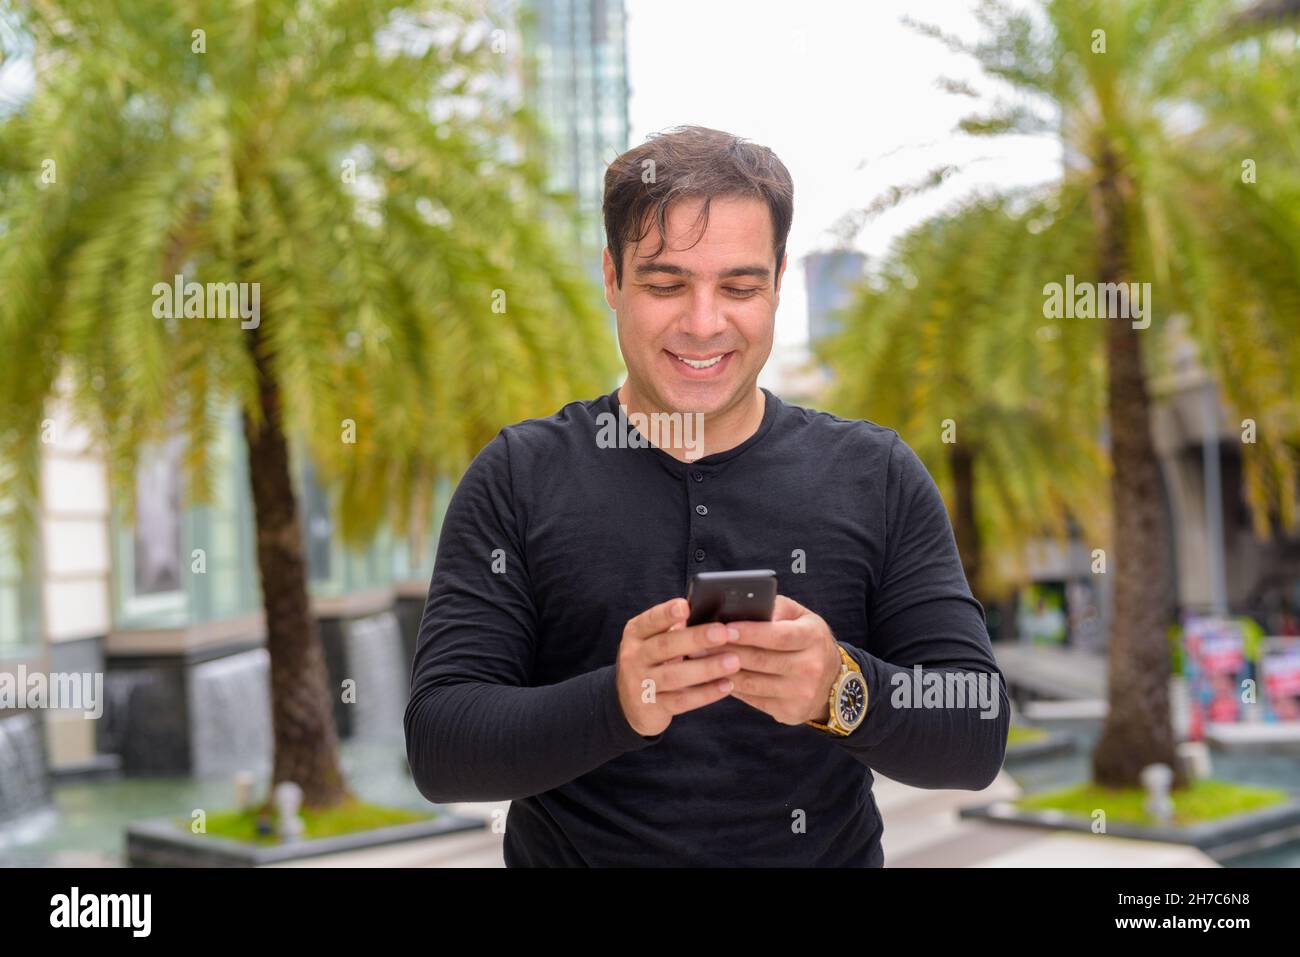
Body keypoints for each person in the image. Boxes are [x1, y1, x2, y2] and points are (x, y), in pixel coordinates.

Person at [404, 124, 1009, 866]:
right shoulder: (517, 476)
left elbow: (976, 729)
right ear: (611, 278)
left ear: (779, 283)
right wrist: (618, 702)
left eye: (740, 286)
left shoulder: (874, 474)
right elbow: (441, 743)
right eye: (665, 283)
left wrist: (842, 689)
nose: (702, 322)